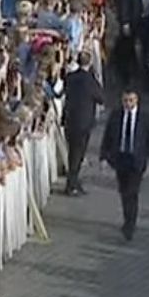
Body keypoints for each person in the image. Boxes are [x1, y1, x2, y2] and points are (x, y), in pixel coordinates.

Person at [99, 89, 149, 241]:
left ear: (136, 100)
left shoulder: (144, 117)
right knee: (124, 192)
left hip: (137, 160)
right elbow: (108, 136)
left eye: (131, 100)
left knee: (132, 192)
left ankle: (130, 225)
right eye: (125, 100)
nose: (128, 104)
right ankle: (128, 217)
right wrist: (103, 157)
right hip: (121, 159)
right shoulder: (116, 115)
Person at [61, 50, 103, 196]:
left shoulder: (70, 77)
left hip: (69, 119)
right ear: (89, 63)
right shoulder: (90, 80)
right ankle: (71, 184)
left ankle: (74, 181)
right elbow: (100, 97)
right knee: (78, 154)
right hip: (84, 122)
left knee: (72, 152)